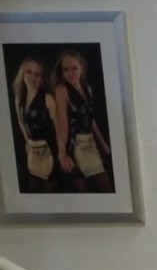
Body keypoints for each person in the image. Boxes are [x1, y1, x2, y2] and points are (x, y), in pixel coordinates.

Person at [53, 50, 113, 193]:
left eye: (74, 68)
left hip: (89, 143)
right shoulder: (62, 90)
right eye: (66, 69)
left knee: (106, 187)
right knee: (84, 192)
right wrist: (62, 155)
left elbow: (90, 120)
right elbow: (63, 125)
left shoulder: (88, 89)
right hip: (74, 146)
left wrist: (103, 144)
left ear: (82, 68)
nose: (71, 73)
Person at [10, 56, 59, 193]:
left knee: (50, 189)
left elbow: (58, 128)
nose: (32, 77)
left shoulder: (48, 98)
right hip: (32, 150)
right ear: (22, 73)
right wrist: (27, 141)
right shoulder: (19, 98)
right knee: (33, 186)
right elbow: (21, 121)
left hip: (49, 151)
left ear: (42, 78)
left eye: (37, 74)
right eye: (29, 72)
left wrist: (60, 152)